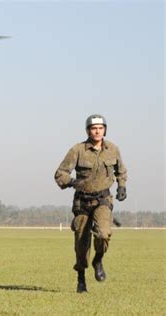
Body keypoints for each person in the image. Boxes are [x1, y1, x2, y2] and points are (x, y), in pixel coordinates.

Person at [54, 114, 127, 293]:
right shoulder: (77, 150)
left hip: (103, 200)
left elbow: (121, 171)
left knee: (103, 234)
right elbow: (60, 173)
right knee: (81, 242)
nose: (97, 131)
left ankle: (98, 260)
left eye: (100, 128)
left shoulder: (113, 150)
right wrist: (71, 182)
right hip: (82, 202)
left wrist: (122, 186)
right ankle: (81, 278)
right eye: (94, 128)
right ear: (88, 130)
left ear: (105, 130)